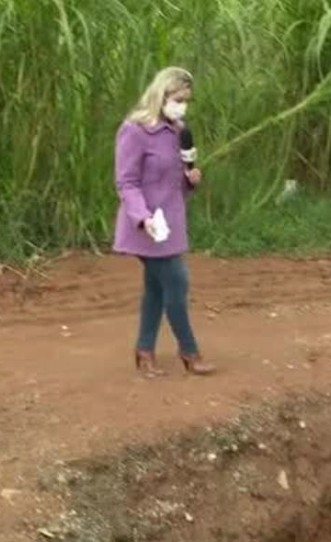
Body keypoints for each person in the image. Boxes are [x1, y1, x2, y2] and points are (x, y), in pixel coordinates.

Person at [113, 66, 216, 377]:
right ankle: (189, 352)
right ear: (162, 95)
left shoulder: (179, 131)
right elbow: (127, 182)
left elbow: (175, 183)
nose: (182, 105)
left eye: (186, 100)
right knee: (177, 281)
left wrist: (191, 180)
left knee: (157, 289)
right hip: (147, 225)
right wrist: (142, 218)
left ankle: (144, 352)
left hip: (171, 222)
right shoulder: (135, 130)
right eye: (177, 98)